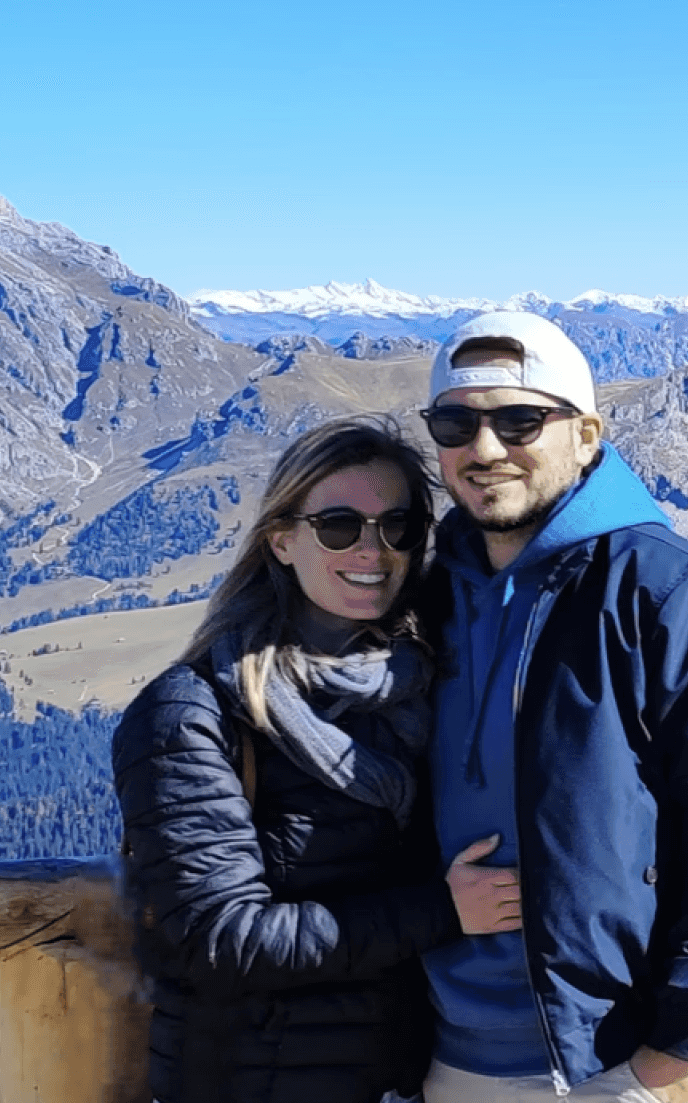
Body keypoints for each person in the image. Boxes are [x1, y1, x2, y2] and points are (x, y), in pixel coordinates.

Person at [415, 311, 688, 1103]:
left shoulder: (680, 591)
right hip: (453, 1057)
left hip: (621, 1062)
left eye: (520, 421)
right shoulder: (430, 595)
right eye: (455, 425)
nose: (484, 449)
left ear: (587, 435)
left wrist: (674, 1054)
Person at [114, 418, 522, 1103]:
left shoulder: (423, 687)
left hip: (401, 1075)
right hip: (252, 1082)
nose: (373, 550)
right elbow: (220, 938)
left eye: (398, 527)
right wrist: (443, 911)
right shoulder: (194, 712)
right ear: (281, 541)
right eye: (339, 526)